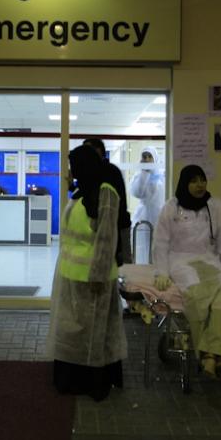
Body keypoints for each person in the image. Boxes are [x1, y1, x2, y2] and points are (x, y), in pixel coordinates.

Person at [46, 145, 127, 402]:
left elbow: (106, 239)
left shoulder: (106, 193)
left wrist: (99, 275)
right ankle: (72, 379)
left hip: (94, 279)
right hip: (71, 276)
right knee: (73, 332)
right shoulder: (80, 193)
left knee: (94, 333)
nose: (70, 172)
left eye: (73, 166)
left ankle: (95, 383)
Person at [152, 164, 221, 378]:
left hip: (209, 259)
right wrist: (162, 272)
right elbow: (161, 243)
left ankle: (206, 354)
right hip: (180, 260)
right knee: (195, 292)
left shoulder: (217, 207)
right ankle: (211, 354)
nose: (199, 185)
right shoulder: (171, 208)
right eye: (193, 181)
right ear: (184, 183)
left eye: (202, 179)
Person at [82, 138, 132, 266]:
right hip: (102, 229)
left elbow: (103, 203)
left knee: (120, 267)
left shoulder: (109, 172)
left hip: (117, 227)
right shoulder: (93, 173)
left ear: (99, 152)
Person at [129, 146, 165, 264]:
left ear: (155, 159)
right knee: (142, 250)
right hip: (143, 218)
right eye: (144, 157)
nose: (147, 159)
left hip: (159, 217)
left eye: (150, 156)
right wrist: (144, 173)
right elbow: (138, 193)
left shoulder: (163, 176)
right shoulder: (138, 176)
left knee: (158, 250)